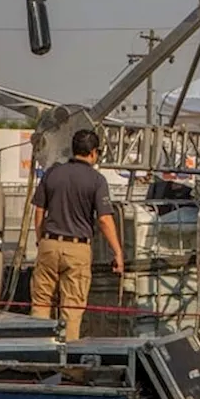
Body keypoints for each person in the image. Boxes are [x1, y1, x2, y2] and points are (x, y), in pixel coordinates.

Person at [29, 129, 123, 339]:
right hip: (78, 248)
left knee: (41, 303)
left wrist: (40, 238)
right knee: (71, 310)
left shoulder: (53, 173)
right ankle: (69, 366)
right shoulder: (97, 180)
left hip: (49, 244)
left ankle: (37, 355)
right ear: (93, 152)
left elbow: (39, 210)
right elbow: (104, 219)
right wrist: (117, 251)